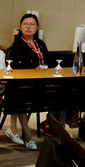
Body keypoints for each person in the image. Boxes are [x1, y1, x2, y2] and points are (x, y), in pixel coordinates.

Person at [4, 13, 52, 150]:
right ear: (20, 27)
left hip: (42, 82)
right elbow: (18, 68)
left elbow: (49, 63)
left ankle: (56, 132)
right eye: (25, 24)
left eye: (32, 24)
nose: (28, 27)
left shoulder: (41, 44)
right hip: (25, 84)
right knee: (20, 97)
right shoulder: (17, 45)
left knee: (63, 93)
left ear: (37, 27)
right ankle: (28, 137)